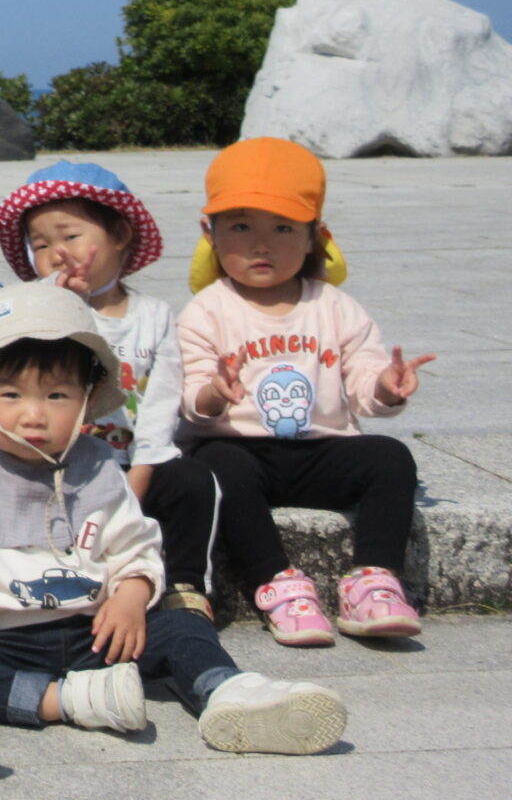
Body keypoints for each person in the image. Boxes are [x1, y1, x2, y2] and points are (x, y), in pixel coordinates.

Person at [0, 279, 346, 755]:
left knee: (183, 626)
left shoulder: (98, 463)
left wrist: (131, 594)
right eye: (10, 395)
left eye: (56, 396)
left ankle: (227, 690)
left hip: (97, 630)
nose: (33, 415)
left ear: (89, 396)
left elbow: (135, 543)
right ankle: (67, 700)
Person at [178, 138, 435, 645]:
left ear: (315, 235)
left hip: (324, 450)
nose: (261, 245)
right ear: (210, 233)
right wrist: (213, 394)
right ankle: (277, 582)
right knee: (215, 466)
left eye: (283, 229)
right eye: (241, 227)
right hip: (242, 449)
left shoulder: (334, 306)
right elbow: (189, 398)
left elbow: (363, 379)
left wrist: (386, 387)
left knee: (390, 458)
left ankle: (374, 580)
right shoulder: (206, 311)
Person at [0, 161, 221, 616]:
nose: (57, 253)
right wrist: (64, 304)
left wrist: (142, 472)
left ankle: (185, 584)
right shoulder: (35, 312)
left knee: (193, 481)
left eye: (70, 236)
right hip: (63, 461)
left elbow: (161, 402)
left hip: (136, 461)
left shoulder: (153, 316)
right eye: (41, 245)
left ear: (119, 235)